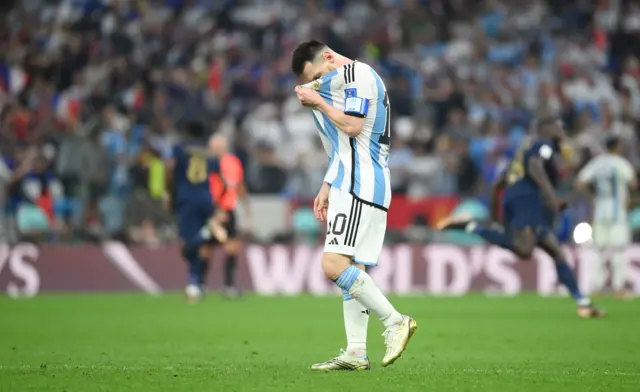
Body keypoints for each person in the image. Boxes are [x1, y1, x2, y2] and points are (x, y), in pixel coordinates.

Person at [291, 40, 417, 371]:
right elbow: (347, 144)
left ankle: (395, 321)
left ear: (329, 57)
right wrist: (327, 184)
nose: (319, 81)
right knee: (353, 269)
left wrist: (317, 100)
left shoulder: (357, 75)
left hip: (359, 185)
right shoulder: (348, 78)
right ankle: (356, 352)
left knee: (333, 265)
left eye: (319, 73)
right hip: (356, 181)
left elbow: (352, 125)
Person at [438, 118, 606, 318]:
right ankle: (470, 227)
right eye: (558, 126)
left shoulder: (523, 150)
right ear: (547, 129)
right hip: (526, 200)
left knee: (555, 251)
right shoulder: (544, 144)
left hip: (519, 200)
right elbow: (536, 167)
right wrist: (552, 197)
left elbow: (497, 185)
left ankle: (583, 303)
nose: (561, 129)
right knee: (525, 250)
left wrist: (496, 218)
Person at [164, 122, 228, 303]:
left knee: (187, 244)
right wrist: (217, 201)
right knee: (200, 246)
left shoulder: (180, 149)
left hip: (186, 199)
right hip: (205, 199)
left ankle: (193, 282)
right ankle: (196, 284)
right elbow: (223, 181)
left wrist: (169, 192)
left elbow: (169, 168)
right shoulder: (209, 153)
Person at [576, 136, 637, 298]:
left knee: (599, 250)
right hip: (618, 213)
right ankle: (618, 288)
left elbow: (580, 182)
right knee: (619, 249)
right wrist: (629, 200)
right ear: (617, 147)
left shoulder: (598, 163)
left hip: (600, 211)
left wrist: (593, 195)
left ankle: (597, 287)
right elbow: (633, 183)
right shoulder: (621, 163)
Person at [208, 134, 251, 299]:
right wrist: (213, 210)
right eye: (216, 145)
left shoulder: (233, 161)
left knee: (232, 247)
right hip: (211, 211)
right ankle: (199, 284)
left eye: (221, 145)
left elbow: (239, 184)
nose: (218, 148)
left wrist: (246, 205)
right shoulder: (207, 163)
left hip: (228, 210)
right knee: (205, 248)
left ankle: (229, 286)